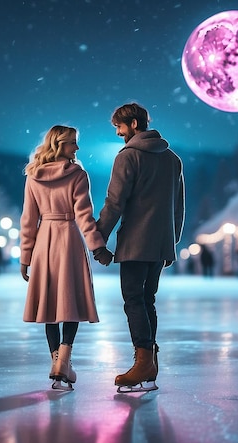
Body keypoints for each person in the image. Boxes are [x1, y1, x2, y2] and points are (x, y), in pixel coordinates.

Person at [96, 103, 185, 393]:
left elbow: (114, 202)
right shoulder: (172, 159)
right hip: (160, 244)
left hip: (135, 242)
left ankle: (143, 361)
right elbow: (178, 205)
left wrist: (99, 237)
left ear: (134, 124)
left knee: (133, 300)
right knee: (148, 300)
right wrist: (172, 241)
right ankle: (150, 365)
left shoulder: (128, 157)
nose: (118, 132)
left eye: (119, 127)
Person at [19, 125, 113, 391]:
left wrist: (25, 256)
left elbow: (28, 220)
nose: (77, 148)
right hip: (68, 239)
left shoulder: (33, 175)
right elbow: (84, 216)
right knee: (70, 301)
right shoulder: (77, 175)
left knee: (49, 304)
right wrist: (97, 246)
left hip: (43, 241)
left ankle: (55, 361)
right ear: (60, 145)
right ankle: (65, 360)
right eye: (73, 143)